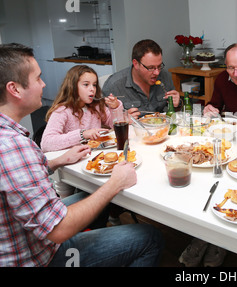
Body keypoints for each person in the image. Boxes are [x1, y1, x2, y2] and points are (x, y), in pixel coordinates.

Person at [0, 43, 164, 267]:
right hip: (42, 256)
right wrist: (114, 183)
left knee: (100, 198)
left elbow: (14, 180)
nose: (44, 84)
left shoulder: (10, 138)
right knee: (150, 236)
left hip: (34, 236)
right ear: (15, 89)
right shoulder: (13, 146)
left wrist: (56, 162)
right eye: (38, 78)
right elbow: (57, 229)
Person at [41, 65, 123, 153]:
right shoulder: (62, 111)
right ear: (72, 86)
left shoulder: (96, 106)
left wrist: (115, 108)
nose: (92, 89)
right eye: (86, 84)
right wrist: (82, 134)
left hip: (95, 155)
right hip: (71, 160)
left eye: (94, 85)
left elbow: (115, 125)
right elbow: (46, 144)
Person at [102, 39, 180, 119]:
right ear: (136, 64)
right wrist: (122, 119)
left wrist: (177, 104)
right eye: (150, 68)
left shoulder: (165, 76)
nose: (157, 72)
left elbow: (173, 112)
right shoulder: (114, 85)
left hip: (161, 128)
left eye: (159, 66)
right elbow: (103, 122)